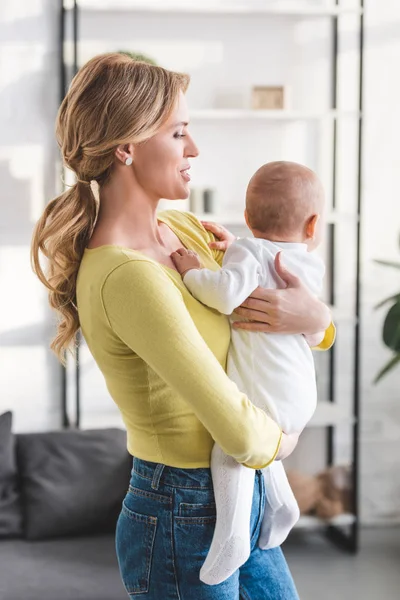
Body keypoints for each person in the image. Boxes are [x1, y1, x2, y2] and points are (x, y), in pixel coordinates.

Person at [30, 53, 334, 599]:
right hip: (182, 507)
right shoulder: (125, 274)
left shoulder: (185, 231)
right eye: (178, 133)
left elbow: (272, 316)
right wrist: (283, 442)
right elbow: (236, 427)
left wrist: (320, 320)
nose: (193, 149)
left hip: (241, 490)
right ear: (126, 147)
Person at [171, 161, 329, 585]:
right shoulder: (310, 264)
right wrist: (239, 249)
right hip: (298, 390)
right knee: (264, 440)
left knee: (232, 446)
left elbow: (224, 296)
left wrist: (191, 271)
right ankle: (282, 503)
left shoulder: (247, 251)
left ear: (245, 217)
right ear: (312, 226)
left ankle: (233, 535)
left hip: (268, 390)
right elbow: (315, 328)